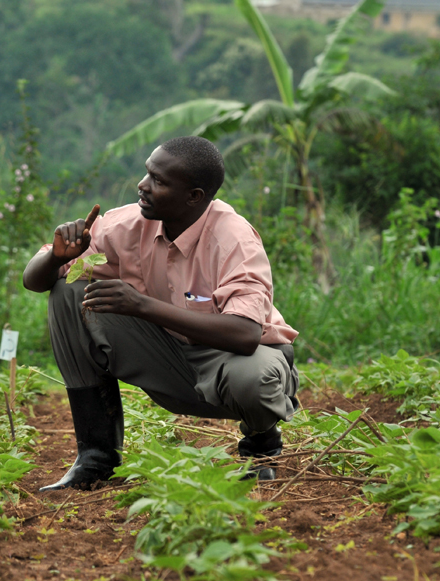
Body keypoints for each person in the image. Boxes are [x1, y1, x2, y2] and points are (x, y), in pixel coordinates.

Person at [23, 136, 299, 491]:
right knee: (68, 292)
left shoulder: (233, 239)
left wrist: (142, 305)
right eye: (147, 173)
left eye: (159, 180)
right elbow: (35, 280)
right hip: (169, 356)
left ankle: (261, 443)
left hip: (232, 361)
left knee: (254, 380)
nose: (143, 185)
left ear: (194, 197)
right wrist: (56, 257)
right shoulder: (127, 224)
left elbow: (245, 335)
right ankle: (96, 457)